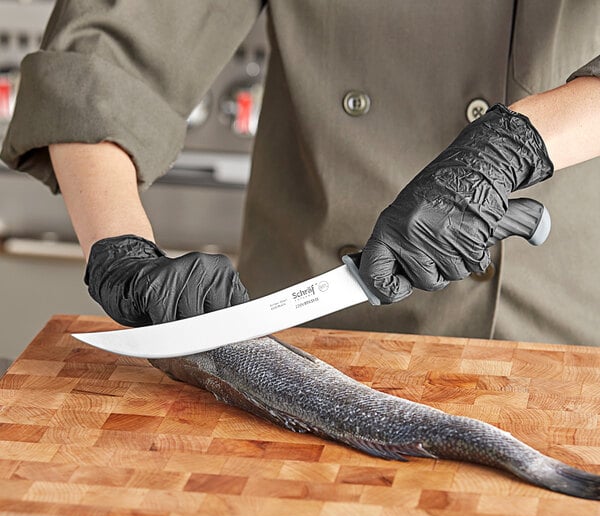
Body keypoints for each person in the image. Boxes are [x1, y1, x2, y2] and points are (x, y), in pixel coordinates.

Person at [2, 2, 600, 345]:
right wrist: (119, 244)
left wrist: (513, 147)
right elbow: (105, 58)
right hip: (304, 331)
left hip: (563, 331)